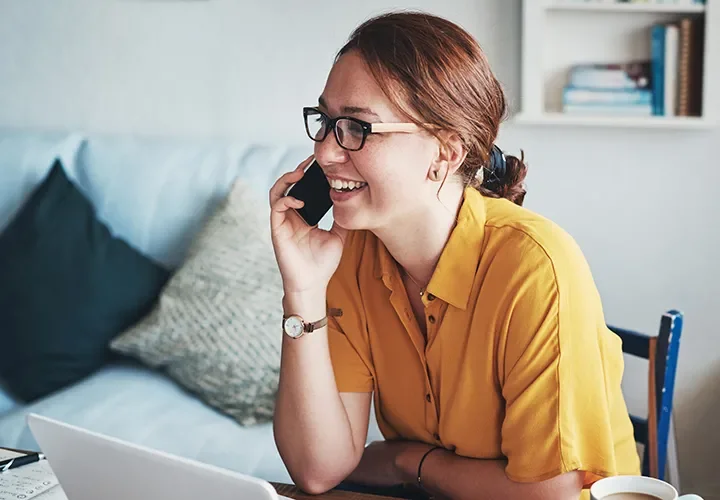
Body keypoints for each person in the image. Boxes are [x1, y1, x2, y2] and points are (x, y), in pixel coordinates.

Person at [268, 11, 640, 500]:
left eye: (357, 127)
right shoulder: (350, 253)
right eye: (326, 123)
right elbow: (318, 470)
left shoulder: (536, 268)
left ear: (445, 152)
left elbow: (550, 495)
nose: (326, 152)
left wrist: (409, 462)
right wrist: (303, 291)